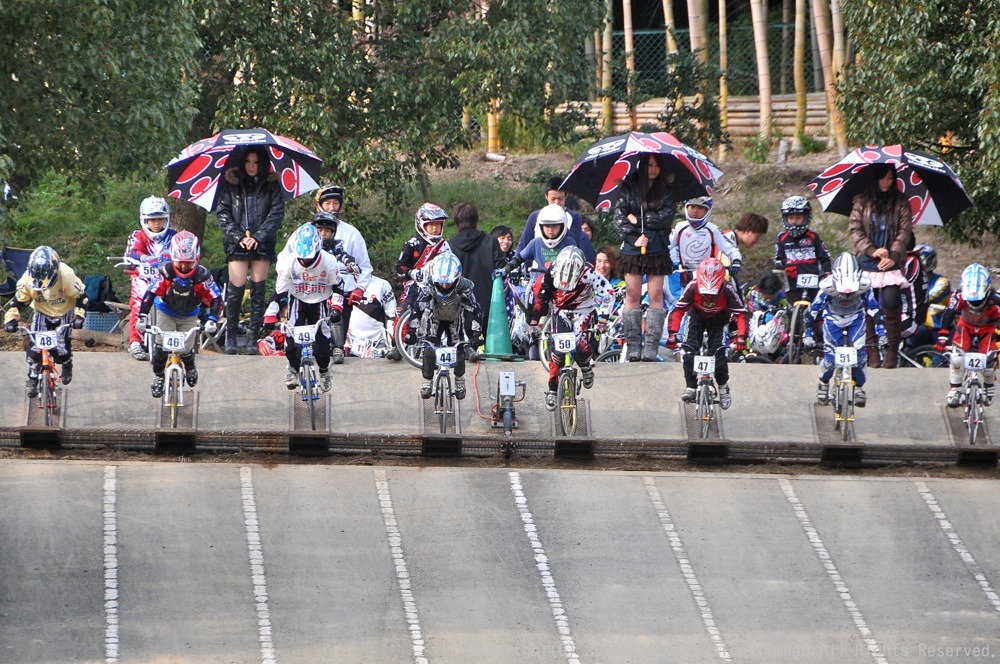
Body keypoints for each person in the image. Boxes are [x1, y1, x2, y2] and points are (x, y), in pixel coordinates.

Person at [273, 224, 362, 392]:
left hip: (319, 301)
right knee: (291, 342)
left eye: (309, 258)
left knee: (322, 343)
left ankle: (324, 370)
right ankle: (292, 369)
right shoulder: (289, 262)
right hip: (298, 300)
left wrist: (336, 307)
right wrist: (270, 314)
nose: (305, 263)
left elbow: (338, 286)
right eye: (302, 258)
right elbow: (278, 291)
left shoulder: (328, 261)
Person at [215, 145, 286, 355]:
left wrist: (258, 237)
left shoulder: (271, 185)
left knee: (258, 290)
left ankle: (253, 338)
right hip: (237, 244)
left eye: (256, 162)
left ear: (262, 163)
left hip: (262, 244)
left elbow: (276, 214)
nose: (252, 166)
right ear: (242, 163)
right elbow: (223, 214)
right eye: (248, 162)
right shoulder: (231, 184)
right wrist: (239, 237)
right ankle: (230, 335)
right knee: (235, 291)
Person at [137, 231, 221, 398]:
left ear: (196, 260)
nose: (183, 268)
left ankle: (190, 367)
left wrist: (212, 319)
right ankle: (158, 376)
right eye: (180, 263)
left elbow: (216, 297)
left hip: (190, 314)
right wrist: (142, 316)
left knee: (187, 348)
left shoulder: (203, 276)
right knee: (161, 347)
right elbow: (150, 294)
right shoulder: (165, 272)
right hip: (166, 311)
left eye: (188, 264)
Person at [529, 247, 615, 410]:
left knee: (583, 349)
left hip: (584, 312)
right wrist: (535, 317)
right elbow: (543, 293)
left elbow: (608, 293)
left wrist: (603, 319)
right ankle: (553, 390)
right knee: (557, 355)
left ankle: (585, 366)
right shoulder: (552, 270)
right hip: (561, 312)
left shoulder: (590, 274)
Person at [848, 164, 915, 369]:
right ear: (875, 179)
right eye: (882, 178)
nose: (886, 183)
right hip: (868, 261)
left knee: (891, 301)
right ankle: (872, 349)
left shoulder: (901, 201)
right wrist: (872, 250)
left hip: (891, 262)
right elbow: (855, 230)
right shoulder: (861, 202)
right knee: (866, 306)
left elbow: (905, 231)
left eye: (890, 179)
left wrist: (893, 255)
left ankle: (893, 350)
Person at [3, 246, 86, 397]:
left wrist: (79, 316)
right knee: (34, 347)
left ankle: (67, 362)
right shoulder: (27, 279)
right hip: (41, 311)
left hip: (64, 312)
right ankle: (32, 376)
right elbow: (18, 302)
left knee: (61, 350)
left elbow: (82, 297)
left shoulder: (66, 275)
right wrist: (11, 319)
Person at [666, 257, 747, 410]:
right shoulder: (692, 287)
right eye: (706, 294)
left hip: (719, 322)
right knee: (688, 351)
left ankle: (723, 388)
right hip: (696, 318)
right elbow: (678, 311)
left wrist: (741, 337)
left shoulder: (728, 290)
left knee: (719, 356)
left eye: (713, 295)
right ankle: (690, 386)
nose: (709, 298)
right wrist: (672, 334)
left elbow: (741, 314)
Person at [803, 253, 878, 408]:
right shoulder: (826, 286)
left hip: (855, 318)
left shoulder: (865, 286)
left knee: (859, 355)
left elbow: (875, 311)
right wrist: (808, 335)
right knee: (831, 359)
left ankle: (858, 388)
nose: (846, 296)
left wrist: (883, 335)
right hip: (833, 320)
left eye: (851, 293)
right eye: (843, 292)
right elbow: (812, 312)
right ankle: (823, 384)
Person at [405, 253, 483, 400]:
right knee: (429, 349)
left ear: (457, 277)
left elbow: (475, 310)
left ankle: (459, 380)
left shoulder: (464, 286)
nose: (445, 285)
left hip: (455, 318)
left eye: (448, 282)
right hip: (435, 317)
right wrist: (411, 331)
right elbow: (418, 308)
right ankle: (427, 381)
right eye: (441, 282)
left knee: (459, 349)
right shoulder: (429, 285)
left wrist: (477, 333)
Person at [313, 185, 374, 363]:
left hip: (343, 290)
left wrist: (360, 288)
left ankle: (338, 350)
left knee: (337, 332)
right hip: (312, 287)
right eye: (327, 203)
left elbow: (364, 266)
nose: (332, 207)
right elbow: (287, 258)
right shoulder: (306, 231)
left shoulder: (352, 234)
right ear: (318, 205)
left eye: (335, 203)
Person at [935, 263, 1000, 407]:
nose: (975, 305)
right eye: (971, 301)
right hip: (965, 327)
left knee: (989, 363)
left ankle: (989, 387)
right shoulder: (958, 296)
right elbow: (948, 313)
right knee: (957, 358)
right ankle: (955, 388)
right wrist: (942, 336)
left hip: (987, 329)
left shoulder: (996, 299)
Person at [123, 196, 176, 361]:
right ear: (144, 220)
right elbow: (132, 252)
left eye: (160, 219)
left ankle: (174, 340)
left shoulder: (174, 236)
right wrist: (144, 259)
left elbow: (183, 251)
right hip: (143, 276)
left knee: (177, 301)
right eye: (152, 220)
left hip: (167, 278)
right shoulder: (137, 236)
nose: (156, 224)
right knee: (138, 302)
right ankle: (135, 342)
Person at [448, 202, 504, 342]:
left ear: (456, 221)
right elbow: (502, 268)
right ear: (476, 219)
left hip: (460, 306)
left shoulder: (450, 245)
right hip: (489, 307)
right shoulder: (490, 241)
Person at [495, 203, 578, 291]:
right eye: (547, 226)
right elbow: (519, 259)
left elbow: (575, 265)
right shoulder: (536, 242)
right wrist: (505, 270)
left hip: (562, 287)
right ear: (541, 226)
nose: (550, 230)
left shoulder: (569, 244)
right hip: (538, 286)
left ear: (562, 226)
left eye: (554, 226)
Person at [517, 176, 596, 263]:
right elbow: (524, 244)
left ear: (566, 196)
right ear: (546, 196)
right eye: (553, 199)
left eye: (560, 199)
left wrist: (561, 222)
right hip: (538, 268)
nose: (556, 203)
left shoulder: (574, 217)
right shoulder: (535, 216)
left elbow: (575, 241)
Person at [773, 196, 832, 305]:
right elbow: (777, 261)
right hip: (792, 284)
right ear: (785, 219)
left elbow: (825, 259)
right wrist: (785, 264)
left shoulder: (814, 237)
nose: (794, 221)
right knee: (792, 313)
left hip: (814, 283)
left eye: (798, 217)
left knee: (817, 310)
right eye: (791, 218)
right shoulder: (782, 238)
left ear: (806, 217)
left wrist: (828, 274)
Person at [344, 275, 398, 359]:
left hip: (377, 346)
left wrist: (393, 344)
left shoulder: (382, 284)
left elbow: (392, 316)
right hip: (349, 344)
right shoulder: (343, 282)